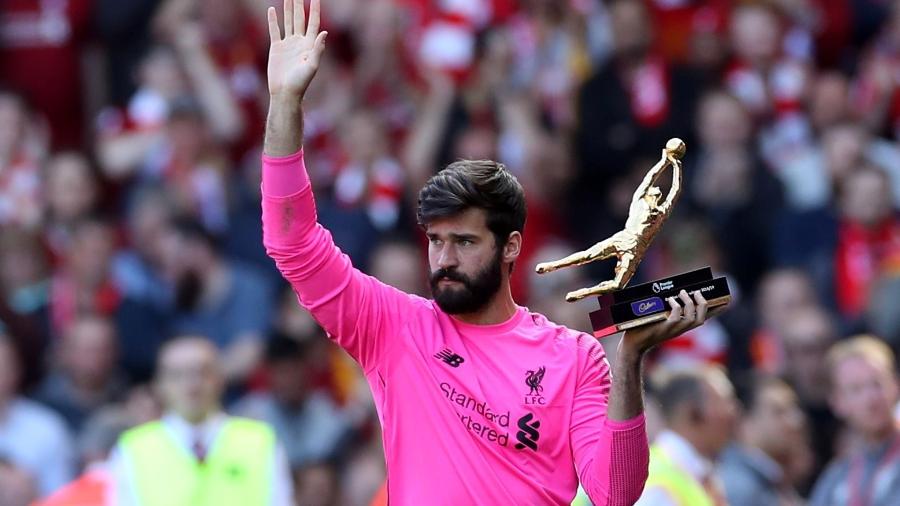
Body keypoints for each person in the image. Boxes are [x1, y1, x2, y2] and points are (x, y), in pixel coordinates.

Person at [261, 1, 724, 503]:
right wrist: (285, 101)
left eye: (464, 242)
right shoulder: (394, 328)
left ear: (512, 248)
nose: (444, 259)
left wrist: (629, 360)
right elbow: (292, 242)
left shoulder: (576, 358)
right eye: (436, 241)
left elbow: (615, 493)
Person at [108, 336, 293, 505]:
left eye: (202, 372)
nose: (192, 384)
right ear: (159, 385)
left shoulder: (260, 442)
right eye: (177, 375)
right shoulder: (132, 449)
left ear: (220, 379)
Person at [810, 335, 900, 506]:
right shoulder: (836, 478)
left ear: (895, 385)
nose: (871, 399)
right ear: (837, 402)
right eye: (856, 390)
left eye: (877, 384)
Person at [635, 366, 738, 506]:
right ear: (693, 413)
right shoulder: (654, 483)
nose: (733, 412)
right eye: (724, 401)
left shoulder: (702, 473)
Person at [0, 333, 75, 497]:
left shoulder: (47, 427)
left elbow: (62, 498)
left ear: (16, 370)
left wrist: (29, 492)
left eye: (2, 366)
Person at [719, 376, 807, 506]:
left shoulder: (772, 479)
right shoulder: (739, 488)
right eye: (779, 412)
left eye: (794, 409)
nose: (796, 421)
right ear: (743, 422)